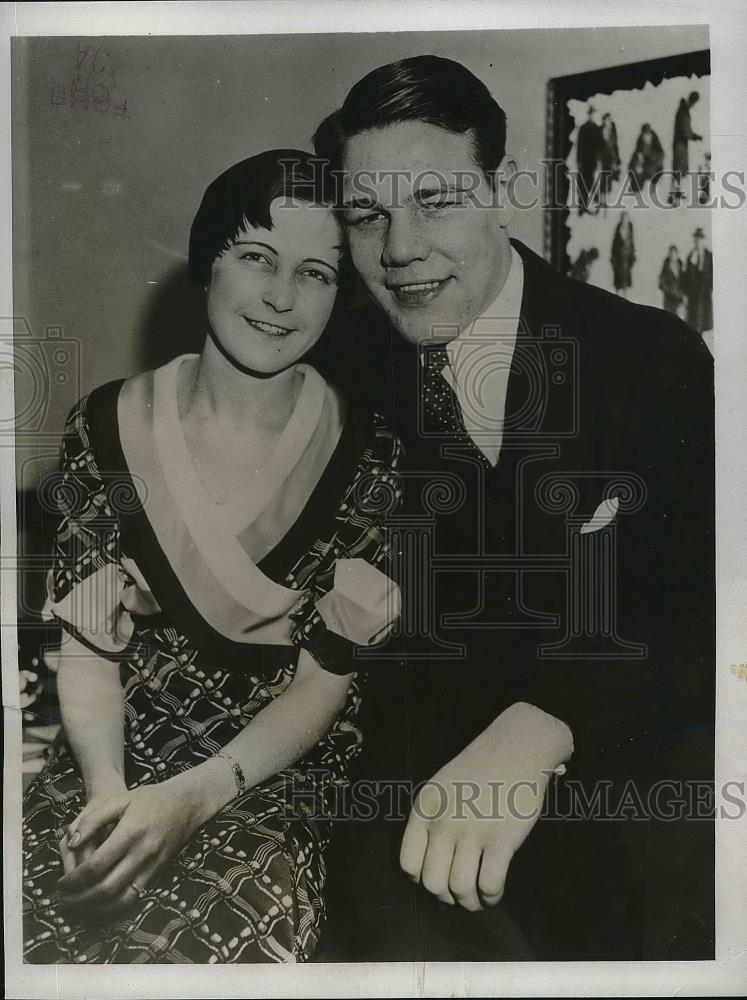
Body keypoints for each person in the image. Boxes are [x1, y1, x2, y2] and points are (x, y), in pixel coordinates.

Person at [313, 54, 714, 961]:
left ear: (503, 192)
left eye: (436, 201)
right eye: (366, 214)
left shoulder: (647, 357)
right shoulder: (339, 376)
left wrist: (545, 726)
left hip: (623, 764)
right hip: (418, 792)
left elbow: (712, 621)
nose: (399, 249)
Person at [21, 150, 402, 964]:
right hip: (113, 752)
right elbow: (88, 651)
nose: (280, 297)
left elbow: (323, 683)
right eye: (256, 258)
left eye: (316, 274)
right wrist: (108, 799)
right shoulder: (105, 426)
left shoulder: (369, 457)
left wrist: (194, 798)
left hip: (265, 779)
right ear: (206, 264)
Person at [671, 92, 703, 203]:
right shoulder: (683, 112)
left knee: (681, 168)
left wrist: (693, 136)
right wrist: (694, 136)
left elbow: (686, 130)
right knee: (679, 168)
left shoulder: (683, 110)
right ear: (692, 101)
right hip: (680, 144)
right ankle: (674, 193)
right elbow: (685, 131)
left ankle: (678, 191)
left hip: (681, 144)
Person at [684, 226, 714, 333]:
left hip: (705, 295)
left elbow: (712, 275)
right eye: (696, 239)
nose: (698, 241)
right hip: (694, 296)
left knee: (703, 323)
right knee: (694, 324)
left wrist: (710, 288)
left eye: (700, 239)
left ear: (703, 240)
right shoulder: (690, 257)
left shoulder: (710, 256)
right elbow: (687, 277)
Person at [575, 104, 603, 214]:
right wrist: (578, 160)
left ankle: (591, 206)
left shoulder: (597, 129)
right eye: (590, 114)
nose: (592, 116)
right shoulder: (583, 128)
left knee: (591, 183)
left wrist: (598, 159)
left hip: (593, 162)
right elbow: (579, 145)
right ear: (588, 115)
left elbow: (601, 146)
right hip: (583, 161)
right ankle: (582, 206)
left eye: (593, 114)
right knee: (582, 183)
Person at [627, 122, 665, 187]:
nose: (646, 137)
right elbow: (632, 163)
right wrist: (637, 165)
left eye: (648, 134)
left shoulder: (656, 147)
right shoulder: (640, 147)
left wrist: (649, 159)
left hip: (653, 172)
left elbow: (660, 158)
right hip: (643, 174)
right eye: (645, 134)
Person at [611, 210, 636, 297]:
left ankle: (625, 297)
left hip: (627, 260)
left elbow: (632, 244)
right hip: (618, 260)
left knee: (625, 281)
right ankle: (617, 296)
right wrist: (613, 260)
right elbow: (614, 245)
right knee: (618, 281)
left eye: (626, 219)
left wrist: (632, 257)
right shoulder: (618, 230)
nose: (625, 221)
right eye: (623, 219)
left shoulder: (630, 230)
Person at [598, 112, 620, 207]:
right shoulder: (600, 131)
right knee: (602, 180)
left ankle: (606, 200)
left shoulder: (613, 132)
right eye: (606, 120)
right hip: (602, 160)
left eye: (609, 120)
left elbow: (615, 146)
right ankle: (601, 200)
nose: (608, 122)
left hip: (611, 160)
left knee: (608, 180)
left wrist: (617, 160)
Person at [659, 244, 686, 315]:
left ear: (677, 255)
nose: (673, 256)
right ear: (669, 255)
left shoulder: (681, 266)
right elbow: (661, 284)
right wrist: (671, 291)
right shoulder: (665, 267)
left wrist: (681, 293)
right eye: (671, 254)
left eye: (674, 254)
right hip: (669, 300)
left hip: (679, 299)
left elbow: (684, 282)